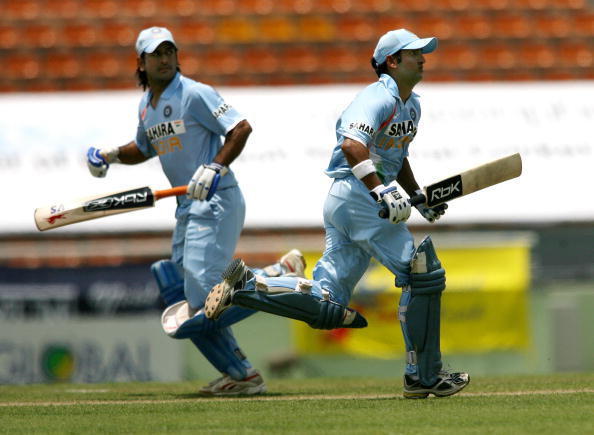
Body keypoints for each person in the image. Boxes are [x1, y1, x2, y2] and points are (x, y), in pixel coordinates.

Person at [204, 29, 470, 399]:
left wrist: (415, 194)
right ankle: (424, 376)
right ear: (392, 61)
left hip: (350, 199)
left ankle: (248, 286)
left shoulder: (412, 105)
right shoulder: (376, 97)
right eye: (414, 53)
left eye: (423, 52)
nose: (423, 58)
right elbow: (352, 146)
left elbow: (396, 154)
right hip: (359, 195)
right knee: (422, 273)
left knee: (328, 300)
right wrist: (381, 189)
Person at [85, 26, 305, 396]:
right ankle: (242, 375)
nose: (165, 58)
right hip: (187, 206)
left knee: (204, 298)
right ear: (141, 62)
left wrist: (215, 166)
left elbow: (240, 127)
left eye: (170, 51)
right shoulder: (146, 107)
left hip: (217, 199)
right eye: (156, 53)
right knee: (181, 292)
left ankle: (279, 274)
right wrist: (109, 156)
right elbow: (144, 147)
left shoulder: (195, 93)